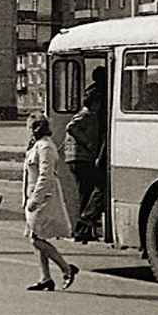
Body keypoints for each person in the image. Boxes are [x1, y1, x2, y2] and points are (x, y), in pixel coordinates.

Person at [23, 115, 79, 291]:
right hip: (35, 197)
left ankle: (67, 268)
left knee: (36, 238)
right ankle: (45, 278)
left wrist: (35, 199)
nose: (28, 131)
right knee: (37, 236)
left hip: (43, 199)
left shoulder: (46, 147)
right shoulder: (38, 145)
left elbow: (45, 175)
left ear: (36, 128)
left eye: (30, 128)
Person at [63, 93, 105, 243]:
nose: (100, 106)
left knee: (85, 193)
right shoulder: (86, 115)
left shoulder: (88, 115)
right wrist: (87, 142)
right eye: (98, 103)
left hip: (77, 159)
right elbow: (71, 127)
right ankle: (85, 221)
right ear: (93, 104)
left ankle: (82, 231)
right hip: (80, 158)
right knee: (102, 186)